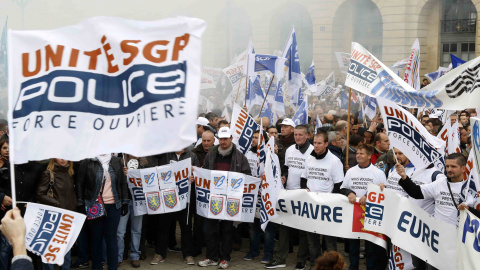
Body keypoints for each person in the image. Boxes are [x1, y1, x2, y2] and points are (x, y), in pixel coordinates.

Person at [197, 127, 251, 269]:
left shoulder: (240, 156)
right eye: (221, 139)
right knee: (209, 230)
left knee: (227, 231)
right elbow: (206, 173)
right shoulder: (211, 154)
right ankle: (212, 257)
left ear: (231, 139)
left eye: (226, 139)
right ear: (217, 139)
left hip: (230, 200)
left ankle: (225, 258)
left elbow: (247, 174)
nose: (223, 141)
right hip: (213, 199)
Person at [266, 125, 313, 270]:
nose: (297, 137)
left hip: (304, 194)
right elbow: (286, 168)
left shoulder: (312, 151)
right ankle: (281, 258)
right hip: (288, 193)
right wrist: (284, 177)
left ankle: (301, 259)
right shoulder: (290, 150)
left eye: (301, 135)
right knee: (283, 227)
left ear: (307, 135)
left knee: (303, 229)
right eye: (296, 134)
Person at [75, 154, 129, 270]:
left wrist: (124, 202)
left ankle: (112, 267)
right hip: (94, 205)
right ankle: (96, 267)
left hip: (114, 206)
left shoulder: (116, 161)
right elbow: (80, 183)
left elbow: (123, 182)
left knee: (111, 238)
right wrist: (80, 203)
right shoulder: (87, 161)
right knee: (96, 239)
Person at [299, 132, 343, 268]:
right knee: (312, 240)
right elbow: (303, 178)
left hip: (327, 207)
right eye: (315, 143)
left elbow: (338, 185)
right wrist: (305, 189)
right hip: (311, 206)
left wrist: (329, 201)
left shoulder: (334, 161)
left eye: (319, 143)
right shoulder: (310, 158)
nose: (316, 146)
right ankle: (315, 265)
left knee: (329, 241)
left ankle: (333, 266)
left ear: (326, 144)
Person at [340, 144, 387, 270]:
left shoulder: (378, 173)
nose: (358, 156)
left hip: (370, 214)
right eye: (357, 153)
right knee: (353, 246)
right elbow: (343, 188)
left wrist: (369, 195)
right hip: (353, 214)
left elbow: (383, 191)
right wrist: (349, 193)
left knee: (370, 248)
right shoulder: (350, 171)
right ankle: (353, 267)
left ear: (369, 156)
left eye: (361, 153)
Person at [151, 149, 199, 266]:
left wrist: (193, 177)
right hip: (167, 199)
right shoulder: (164, 154)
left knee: (186, 228)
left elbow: (198, 173)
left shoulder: (192, 156)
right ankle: (160, 253)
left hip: (184, 199)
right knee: (163, 227)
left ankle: (187, 254)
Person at [37, 159, 77, 270]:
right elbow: (40, 194)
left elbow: (71, 194)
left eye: (65, 156)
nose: (63, 159)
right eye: (60, 156)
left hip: (68, 217)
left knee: (66, 249)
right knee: (49, 249)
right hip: (53, 217)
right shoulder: (48, 173)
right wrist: (57, 204)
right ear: (54, 158)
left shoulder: (69, 173)